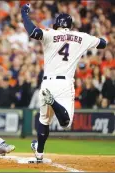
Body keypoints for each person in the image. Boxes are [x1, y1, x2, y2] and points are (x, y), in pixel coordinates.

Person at [21, 4, 106, 163]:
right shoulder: (81, 37)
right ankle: (53, 103)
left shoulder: (50, 33)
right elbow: (103, 43)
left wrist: (24, 14)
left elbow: (32, 31)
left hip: (47, 83)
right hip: (65, 83)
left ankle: (39, 154)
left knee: (44, 120)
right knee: (66, 122)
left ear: (57, 24)